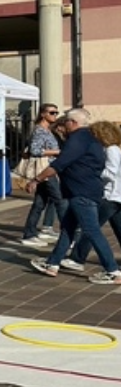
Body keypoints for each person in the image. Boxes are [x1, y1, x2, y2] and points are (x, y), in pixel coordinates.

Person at [27, 108, 121, 284]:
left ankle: (113, 270)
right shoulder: (91, 139)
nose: (63, 125)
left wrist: (37, 179)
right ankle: (52, 263)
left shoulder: (79, 138)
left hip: (82, 193)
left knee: (92, 230)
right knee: (68, 228)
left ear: (73, 123)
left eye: (65, 122)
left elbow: (61, 163)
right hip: (85, 191)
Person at [60, 120, 121, 276]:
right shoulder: (113, 149)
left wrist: (95, 174)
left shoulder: (111, 150)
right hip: (115, 196)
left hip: (109, 195)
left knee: (91, 228)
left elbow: (111, 172)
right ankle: (77, 258)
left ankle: (78, 259)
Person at [20, 103, 65, 247]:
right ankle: (68, 233)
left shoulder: (48, 130)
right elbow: (35, 150)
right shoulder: (40, 131)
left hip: (49, 169)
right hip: (45, 170)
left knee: (40, 203)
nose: (55, 115)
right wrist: (57, 152)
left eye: (56, 112)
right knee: (59, 200)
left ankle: (30, 232)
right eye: (52, 112)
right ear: (42, 114)